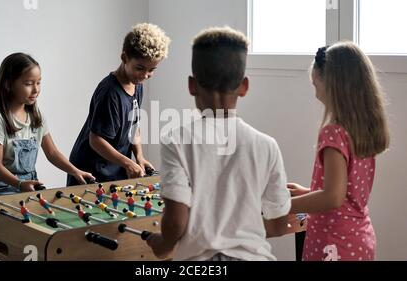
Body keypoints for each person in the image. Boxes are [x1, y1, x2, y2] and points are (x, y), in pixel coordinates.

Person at [146, 26, 290, 261]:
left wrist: (163, 244)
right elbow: (279, 225)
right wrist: (240, 232)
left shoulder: (176, 140)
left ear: (192, 85)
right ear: (244, 86)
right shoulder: (267, 145)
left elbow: (176, 221)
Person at [288, 42, 390, 261]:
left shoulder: (334, 133)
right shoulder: (361, 129)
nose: (316, 95)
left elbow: (333, 197)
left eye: (316, 86)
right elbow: (345, 196)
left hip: (333, 245)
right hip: (359, 238)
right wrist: (308, 193)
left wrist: (284, 205)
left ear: (333, 86)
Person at [67, 23, 171, 185]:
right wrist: (128, 163)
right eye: (140, 68)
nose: (145, 75)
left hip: (114, 168)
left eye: (152, 70)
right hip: (90, 171)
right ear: (124, 58)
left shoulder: (137, 85)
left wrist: (139, 157)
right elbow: (96, 140)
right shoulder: (110, 93)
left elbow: (134, 127)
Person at [0, 53, 95, 197]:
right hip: (1, 189)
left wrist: (74, 171)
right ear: (8, 84)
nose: (36, 89)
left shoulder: (36, 116)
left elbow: (52, 153)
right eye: (28, 83)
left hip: (29, 185)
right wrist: (19, 184)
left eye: (38, 82)